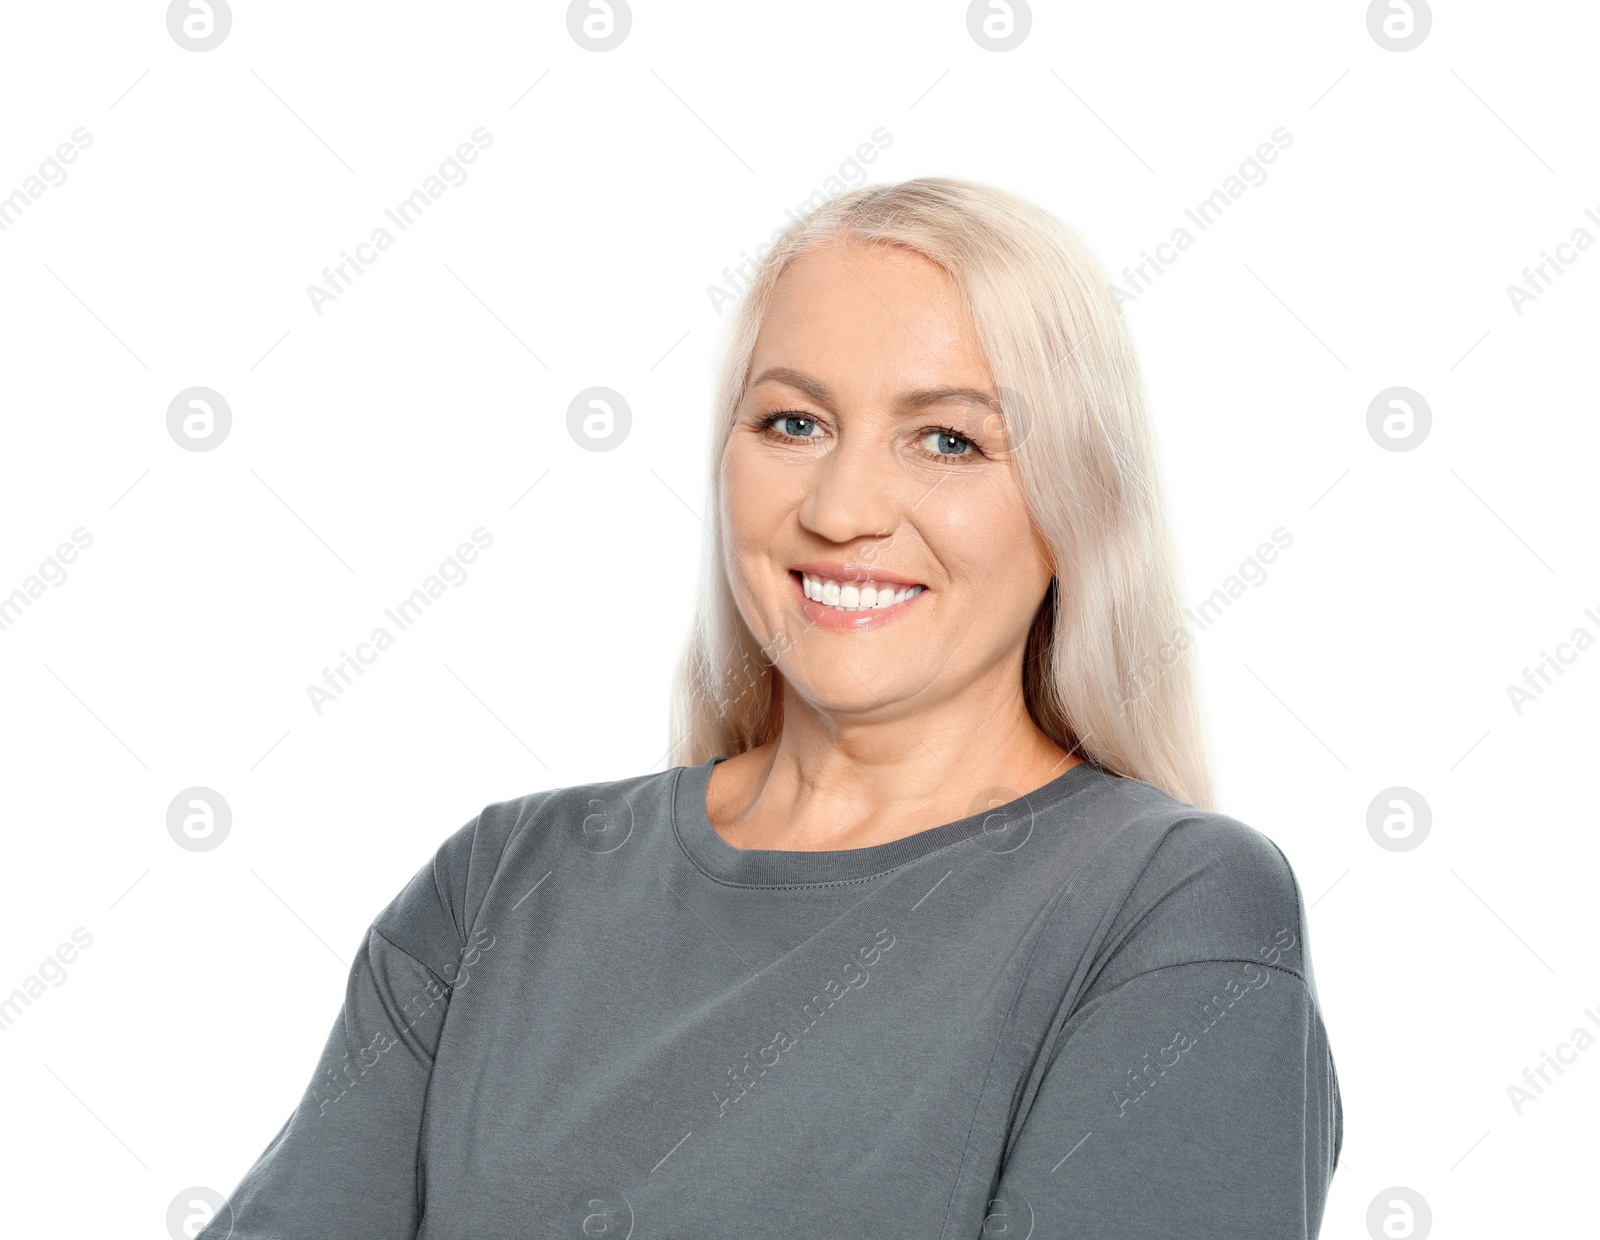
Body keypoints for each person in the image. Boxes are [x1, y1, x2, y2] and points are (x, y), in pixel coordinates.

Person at [199, 177, 1340, 1239]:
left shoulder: (1173, 909)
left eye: (948, 439)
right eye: (793, 423)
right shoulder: (506, 880)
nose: (844, 508)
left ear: (1076, 500)